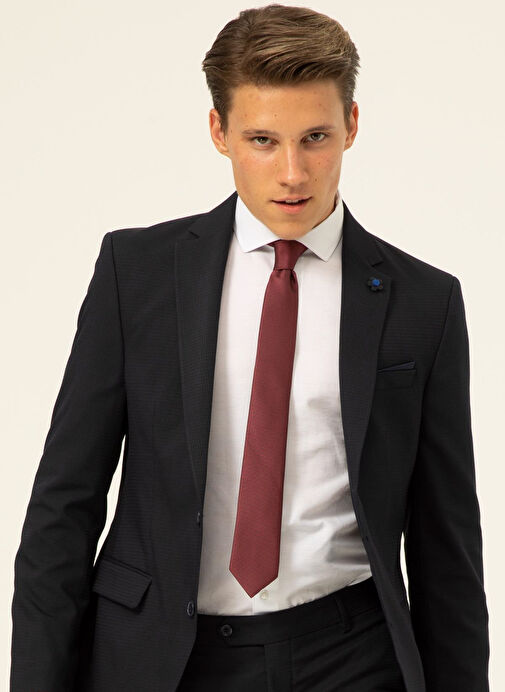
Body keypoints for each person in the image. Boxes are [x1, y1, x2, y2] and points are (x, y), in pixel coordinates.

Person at [10, 4, 489, 691]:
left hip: (351, 657)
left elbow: (448, 545)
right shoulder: (137, 275)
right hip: (164, 657)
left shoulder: (423, 302)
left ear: (352, 125)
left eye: (315, 137)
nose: (292, 172)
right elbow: (64, 505)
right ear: (219, 132)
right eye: (263, 140)